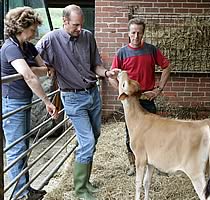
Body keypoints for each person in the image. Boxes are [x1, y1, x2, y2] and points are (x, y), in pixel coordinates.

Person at [35, 4, 120, 200]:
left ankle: (86, 182)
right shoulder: (51, 39)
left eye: (81, 24)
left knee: (94, 137)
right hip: (72, 98)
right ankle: (80, 189)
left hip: (92, 94)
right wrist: (47, 66)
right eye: (75, 25)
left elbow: (96, 65)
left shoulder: (88, 36)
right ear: (64, 22)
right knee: (87, 141)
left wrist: (107, 74)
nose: (79, 29)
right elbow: (34, 58)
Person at [1, 7, 58, 200]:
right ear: (20, 27)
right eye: (32, 29)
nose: (35, 33)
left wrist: (35, 70)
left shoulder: (27, 46)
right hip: (12, 104)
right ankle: (19, 195)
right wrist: (47, 101)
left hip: (24, 101)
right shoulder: (10, 47)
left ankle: (25, 189)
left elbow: (45, 69)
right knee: (16, 149)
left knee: (23, 146)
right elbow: (29, 75)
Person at [109, 18, 171, 176]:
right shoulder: (122, 53)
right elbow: (111, 76)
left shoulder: (151, 50)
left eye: (139, 33)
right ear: (128, 33)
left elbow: (166, 66)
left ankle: (157, 164)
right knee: (131, 134)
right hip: (130, 102)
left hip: (147, 98)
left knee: (154, 133)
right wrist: (123, 93)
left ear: (143, 33)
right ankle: (133, 164)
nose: (136, 36)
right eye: (133, 33)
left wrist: (158, 89)